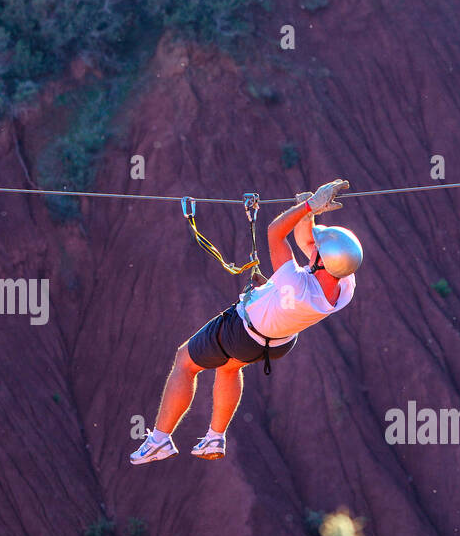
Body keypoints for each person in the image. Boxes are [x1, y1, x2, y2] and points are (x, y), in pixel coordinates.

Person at [130, 180, 362, 465]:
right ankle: (215, 437)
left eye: (318, 251)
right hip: (276, 343)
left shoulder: (296, 284)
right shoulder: (343, 287)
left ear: (324, 262)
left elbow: (275, 233)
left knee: (184, 362)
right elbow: (308, 245)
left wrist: (307, 207)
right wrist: (307, 216)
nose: (313, 249)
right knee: (229, 368)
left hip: (241, 331)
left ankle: (159, 441)